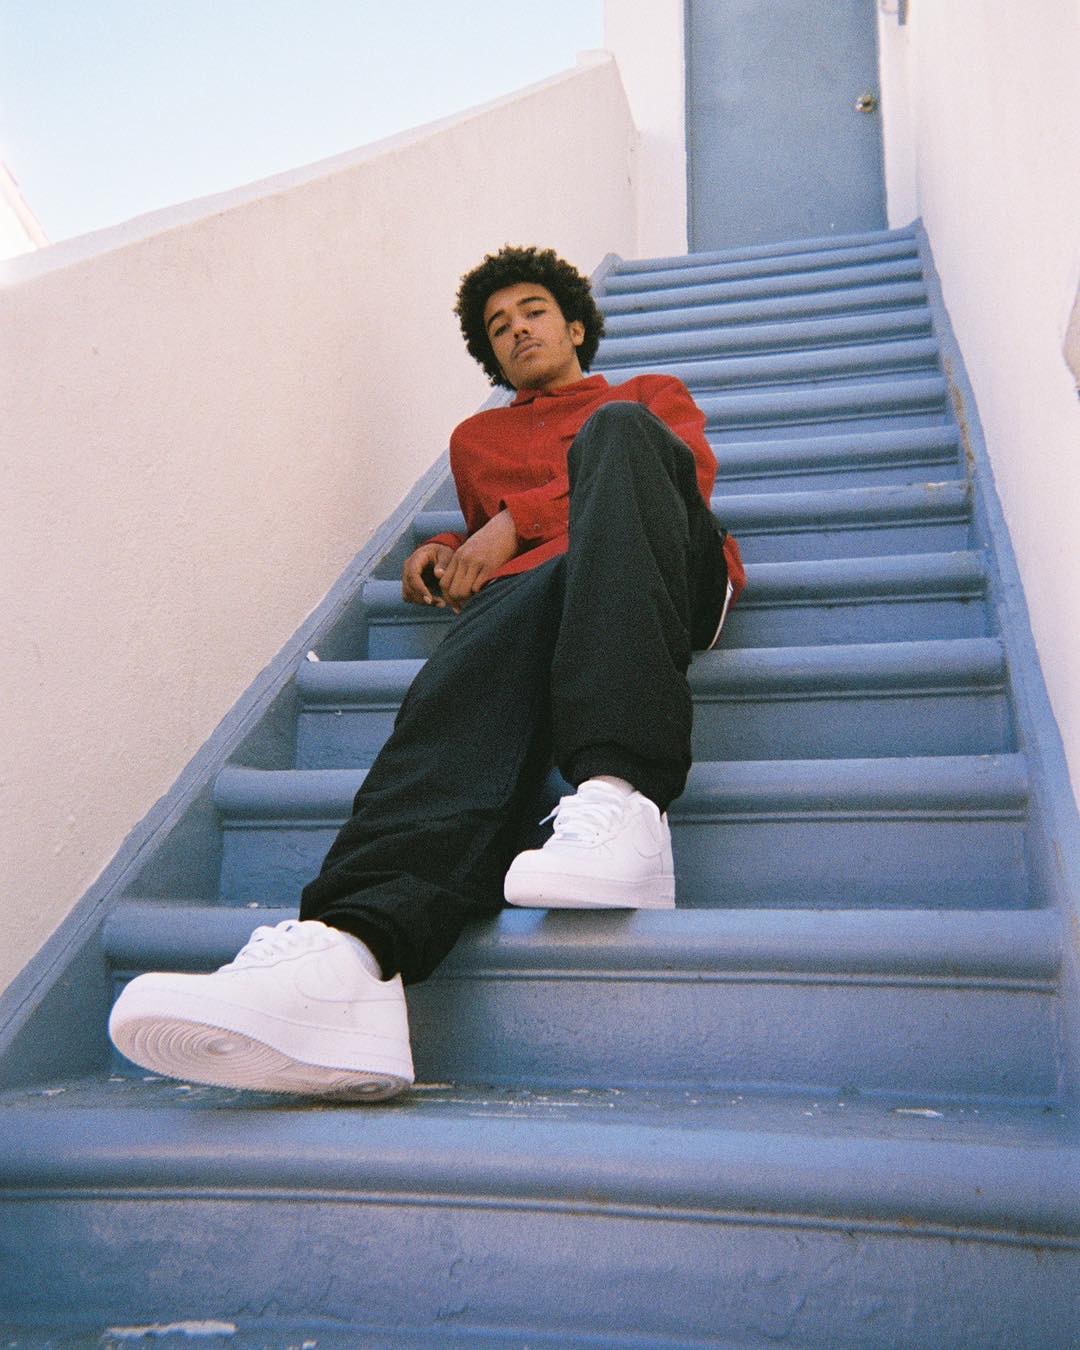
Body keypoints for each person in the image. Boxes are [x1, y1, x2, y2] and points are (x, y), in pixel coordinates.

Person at [109, 245, 745, 1101]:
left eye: (533, 311)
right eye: (498, 326)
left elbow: (682, 486)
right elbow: (490, 534)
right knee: (477, 655)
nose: (517, 329)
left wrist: (512, 523)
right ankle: (349, 956)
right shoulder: (476, 440)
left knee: (617, 439)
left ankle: (621, 799)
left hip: (662, 568)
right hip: (543, 597)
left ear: (575, 326)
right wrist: (446, 545)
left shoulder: (646, 394)